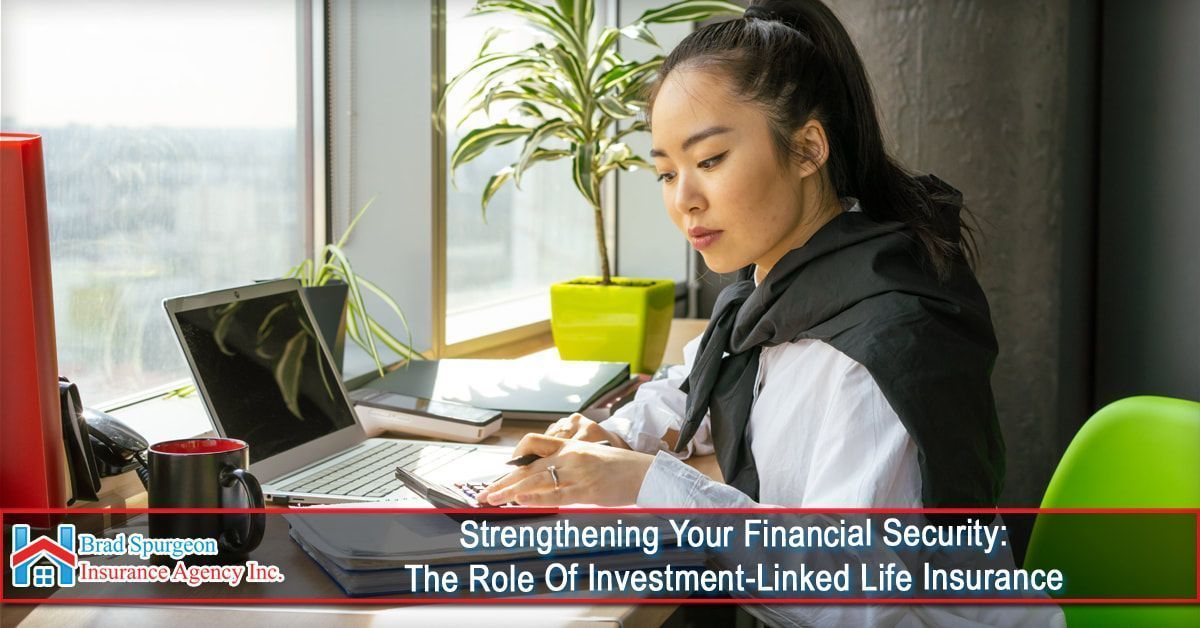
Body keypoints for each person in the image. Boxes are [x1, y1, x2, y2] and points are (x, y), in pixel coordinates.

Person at [478, 1, 1063, 624]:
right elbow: (695, 387)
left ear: (809, 147)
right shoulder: (773, 287)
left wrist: (644, 484)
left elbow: (844, 598)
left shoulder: (877, 345)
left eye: (709, 161)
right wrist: (616, 437)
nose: (684, 201)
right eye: (665, 173)